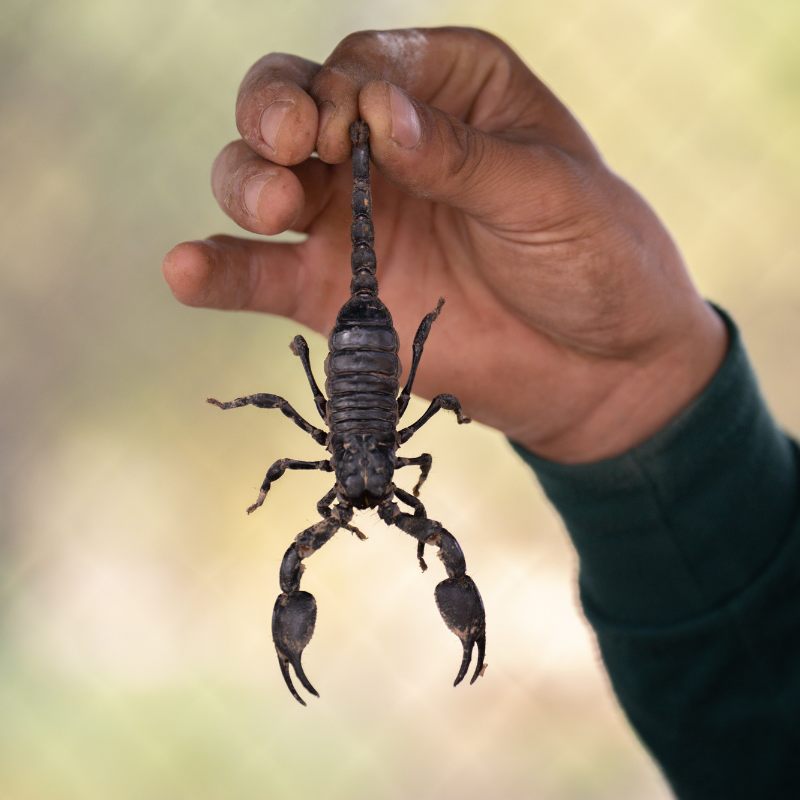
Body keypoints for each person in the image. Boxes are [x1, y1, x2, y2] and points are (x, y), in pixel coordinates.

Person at [162, 27, 800, 798]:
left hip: (356, 362)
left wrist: (627, 399)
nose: (367, 501)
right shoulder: (398, 490)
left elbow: (321, 483)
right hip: (376, 366)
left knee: (303, 515)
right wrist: (636, 400)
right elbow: (415, 458)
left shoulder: (348, 492)